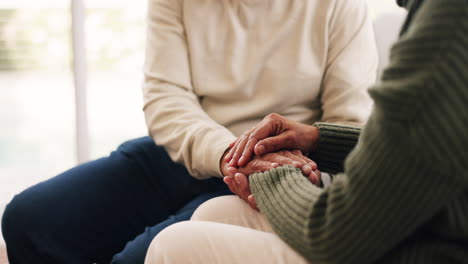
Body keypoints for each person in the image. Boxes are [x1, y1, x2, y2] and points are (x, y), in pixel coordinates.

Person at [1, 0, 377, 263]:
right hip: (190, 150)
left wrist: (269, 161)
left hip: (275, 170)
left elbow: (347, 125)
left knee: (142, 258)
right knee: (27, 220)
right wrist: (231, 152)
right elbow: (166, 98)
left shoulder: (340, 5)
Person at [144, 0, 468, 263]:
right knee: (211, 213)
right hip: (201, 153)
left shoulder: (448, 23)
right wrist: (322, 140)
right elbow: (421, 138)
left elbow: (334, 233)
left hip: (433, 247)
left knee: (170, 245)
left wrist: (271, 171)